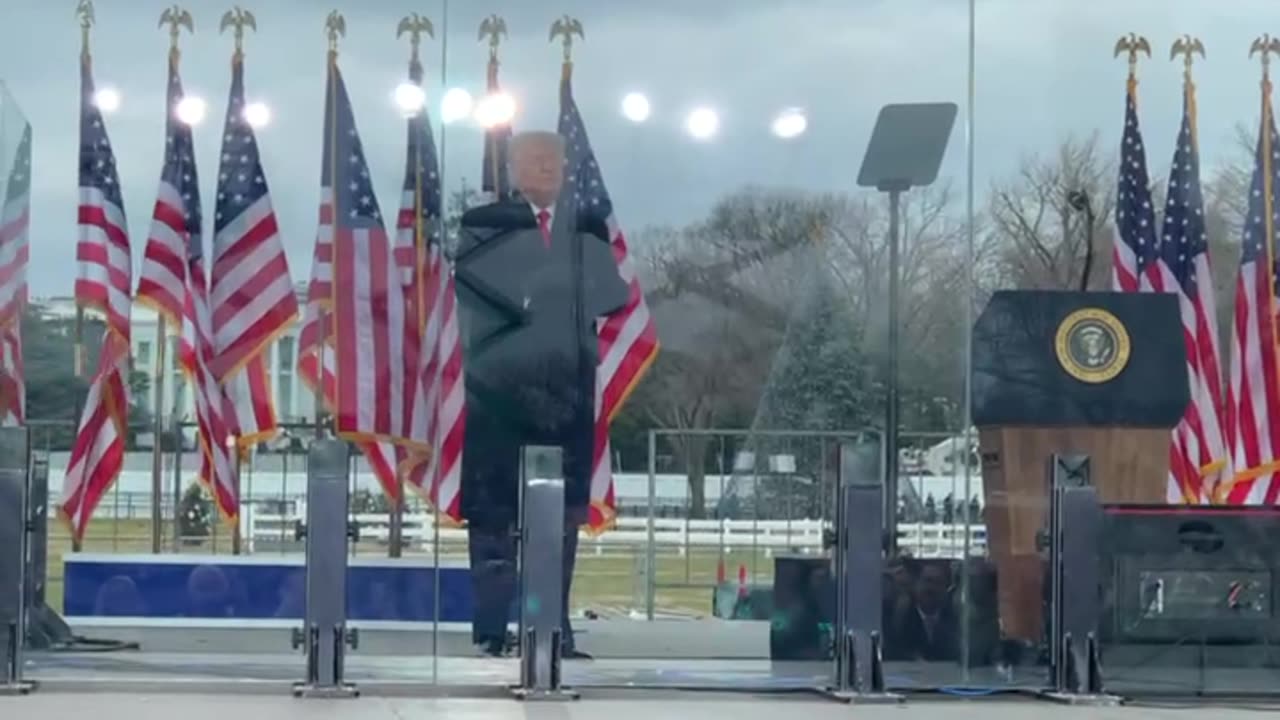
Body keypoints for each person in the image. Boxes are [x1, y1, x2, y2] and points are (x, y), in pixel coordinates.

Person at [454, 130, 628, 659]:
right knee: (493, 522)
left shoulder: (588, 228)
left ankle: (553, 630)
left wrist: (543, 287)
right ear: (513, 168)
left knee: (560, 520)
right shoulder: (482, 224)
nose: (547, 168)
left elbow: (610, 295)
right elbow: (477, 292)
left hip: (565, 395)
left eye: (554, 160)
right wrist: (551, 286)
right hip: (499, 394)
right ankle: (491, 632)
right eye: (535, 160)